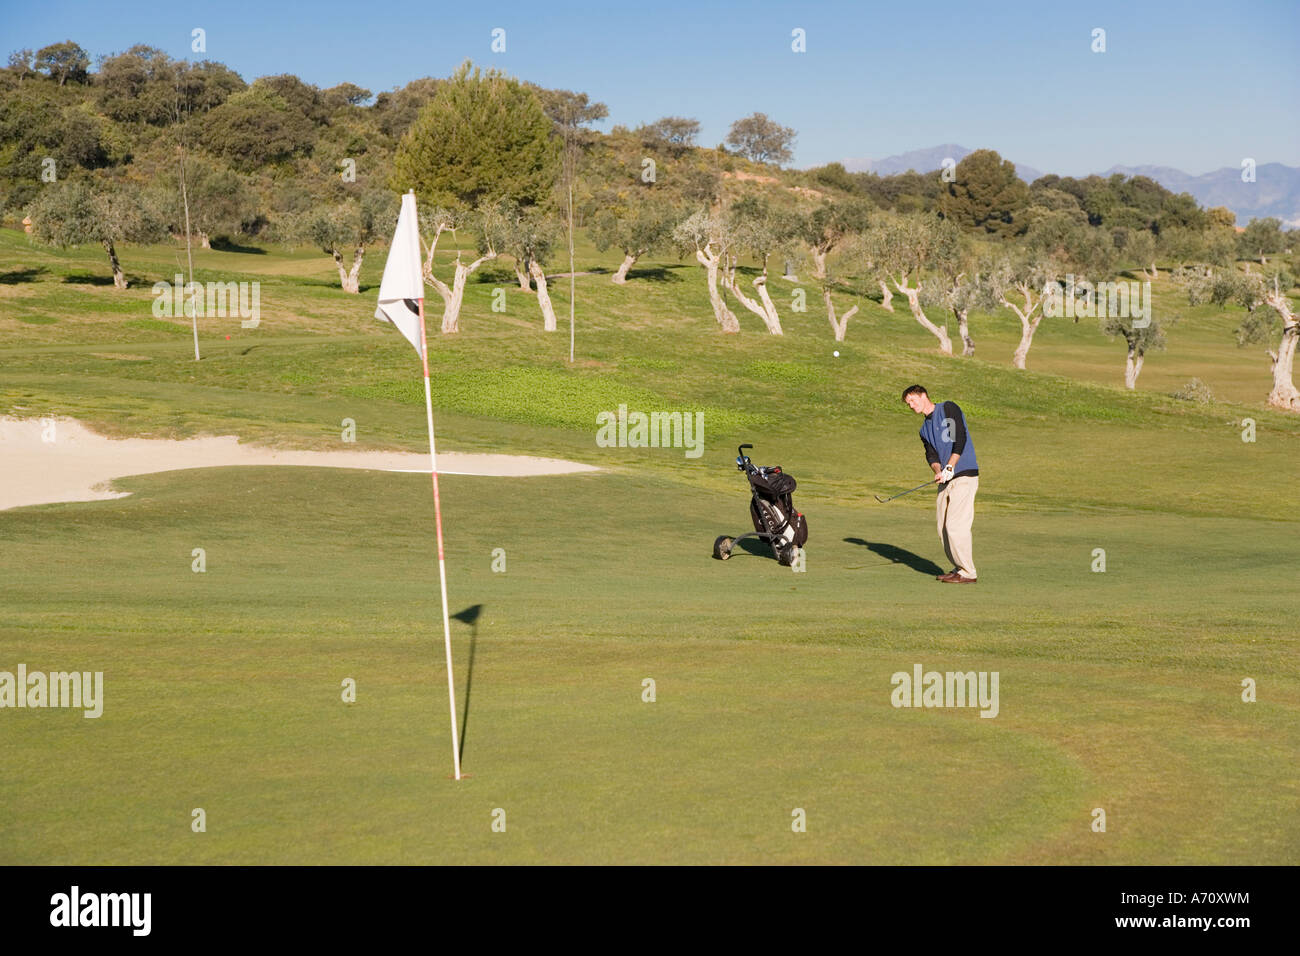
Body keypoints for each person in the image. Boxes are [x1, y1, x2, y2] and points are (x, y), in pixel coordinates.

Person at [901, 384, 979, 583]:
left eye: (912, 400)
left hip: (964, 474)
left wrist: (951, 466)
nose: (910, 405)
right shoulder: (923, 429)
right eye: (908, 403)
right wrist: (939, 471)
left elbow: (959, 438)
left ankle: (968, 573)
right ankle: (958, 567)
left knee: (955, 525)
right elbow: (931, 455)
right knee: (942, 527)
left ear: (923, 395)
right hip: (946, 479)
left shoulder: (947, 408)